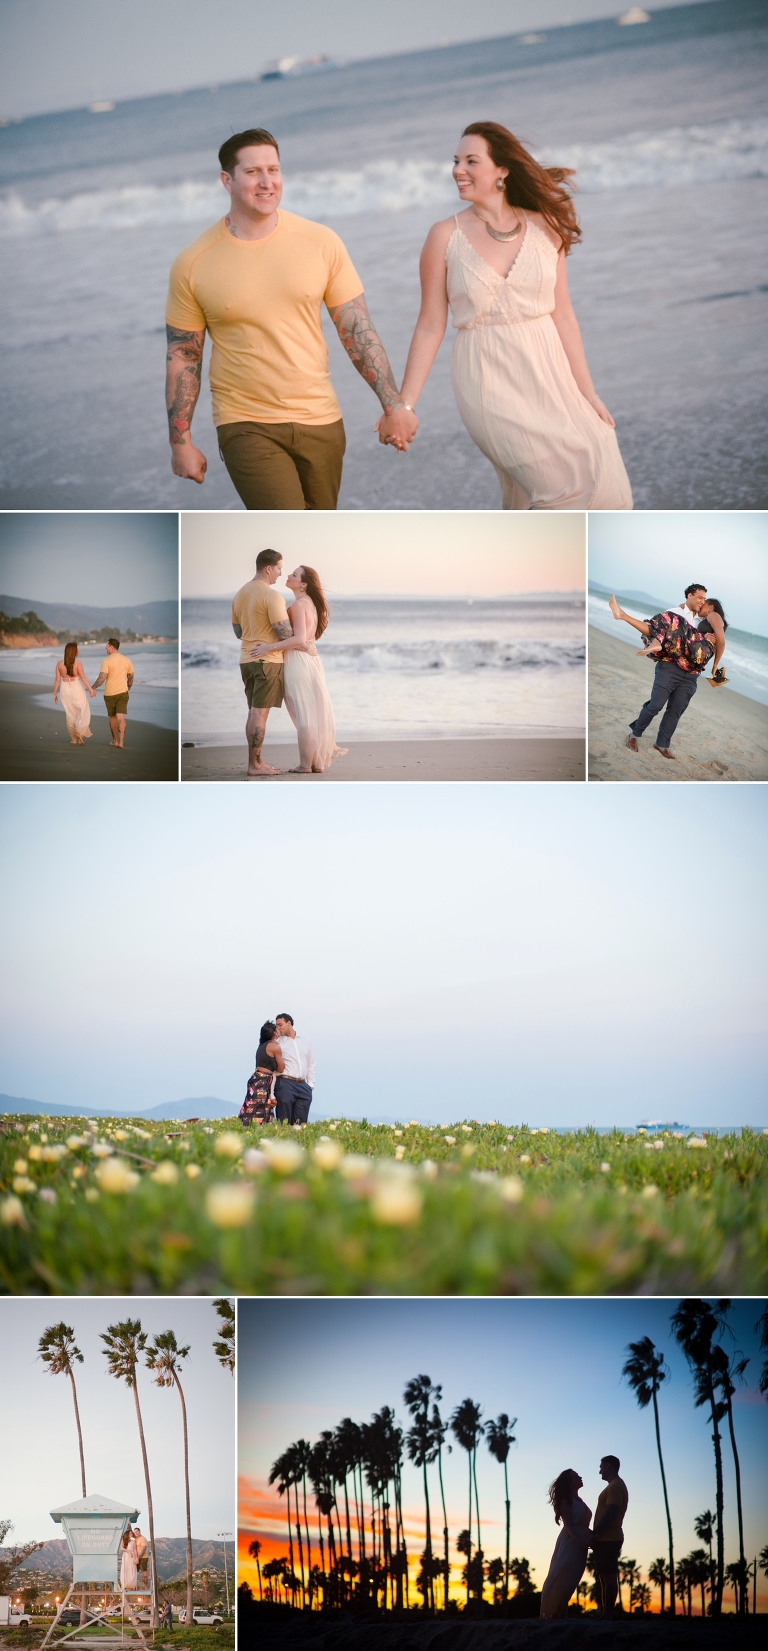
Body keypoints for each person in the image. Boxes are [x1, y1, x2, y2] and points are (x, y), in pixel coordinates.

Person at [165, 127, 417, 509]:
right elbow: (184, 355)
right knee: (286, 524)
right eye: (252, 172)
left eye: (274, 170)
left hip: (321, 418)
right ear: (226, 181)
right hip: (244, 422)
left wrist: (393, 405)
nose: (267, 182)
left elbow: (356, 329)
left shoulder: (320, 242)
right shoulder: (194, 262)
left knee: (316, 535)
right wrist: (179, 442)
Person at [391, 122, 632, 510]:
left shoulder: (545, 226)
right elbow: (430, 325)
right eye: (456, 161)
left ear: (502, 170)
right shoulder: (443, 236)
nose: (458, 170)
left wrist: (588, 393)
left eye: (471, 160)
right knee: (560, 490)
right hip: (487, 379)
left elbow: (564, 315)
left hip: (550, 372)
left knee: (602, 463)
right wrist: (404, 405)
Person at [609, 586, 728, 759]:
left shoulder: (705, 620)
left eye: (705, 599)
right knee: (656, 704)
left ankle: (662, 744)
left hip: (691, 674)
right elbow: (654, 627)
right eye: (700, 598)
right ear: (690, 596)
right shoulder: (674, 612)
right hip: (670, 667)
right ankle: (634, 735)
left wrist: (715, 640)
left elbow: (718, 639)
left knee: (675, 710)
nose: (702, 602)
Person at [249, 565, 347, 773]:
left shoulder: (298, 606)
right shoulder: (309, 604)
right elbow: (305, 640)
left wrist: (269, 647)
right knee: (309, 714)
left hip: (298, 662)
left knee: (305, 716)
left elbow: (299, 638)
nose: (288, 575)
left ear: (304, 584)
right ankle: (315, 763)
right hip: (310, 660)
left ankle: (305, 764)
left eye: (294, 574)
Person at [231, 549, 291, 778]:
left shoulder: (239, 594)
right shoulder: (272, 595)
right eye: (278, 569)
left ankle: (256, 762)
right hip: (267, 662)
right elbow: (284, 632)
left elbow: (238, 632)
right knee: (259, 714)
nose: (279, 574)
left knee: (253, 713)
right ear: (268, 568)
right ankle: (255, 765)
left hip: (246, 660)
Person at [540, 1469, 592, 1619]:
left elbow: (582, 1524)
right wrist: (581, 1540)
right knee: (562, 1574)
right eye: (576, 1476)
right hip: (570, 1542)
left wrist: (593, 1535)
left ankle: (560, 1613)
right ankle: (550, 1612)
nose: (580, 1477)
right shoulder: (566, 1500)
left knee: (573, 1578)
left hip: (581, 1544)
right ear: (569, 1483)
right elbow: (569, 1525)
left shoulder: (579, 1500)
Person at [589, 1454, 628, 1620]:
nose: (599, 1472)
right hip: (604, 1539)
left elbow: (611, 1512)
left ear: (609, 1466)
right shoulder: (613, 1486)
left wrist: (595, 1532)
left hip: (609, 1538)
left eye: (601, 1467)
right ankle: (606, 1612)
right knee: (604, 1577)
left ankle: (608, 1613)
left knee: (609, 1576)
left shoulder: (616, 1486)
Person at [91, 639, 134, 749]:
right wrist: (127, 689)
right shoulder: (127, 660)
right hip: (123, 693)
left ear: (111, 647)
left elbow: (101, 678)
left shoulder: (106, 661)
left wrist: (92, 688)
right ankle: (121, 742)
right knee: (121, 717)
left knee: (113, 717)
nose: (105, 647)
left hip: (109, 694)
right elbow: (131, 679)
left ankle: (114, 741)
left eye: (107, 645)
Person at [274, 1013, 316, 1125]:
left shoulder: (306, 1041)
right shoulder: (277, 1043)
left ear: (289, 1023)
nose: (278, 1028)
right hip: (285, 1083)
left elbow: (311, 1063)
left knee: (300, 1125)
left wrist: (310, 1084)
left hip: (303, 1086)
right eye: (277, 1025)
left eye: (280, 1024)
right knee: (284, 1122)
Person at [240, 1020, 284, 1126]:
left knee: (252, 1107)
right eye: (277, 1028)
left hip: (257, 1078)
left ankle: (246, 1128)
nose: (279, 1030)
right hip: (263, 1080)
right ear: (274, 1033)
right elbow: (281, 1068)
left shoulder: (262, 1046)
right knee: (261, 1109)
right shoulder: (275, 1047)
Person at [53, 642, 96, 744]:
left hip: (64, 689)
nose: (79, 650)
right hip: (76, 687)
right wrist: (91, 690)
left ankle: (73, 739)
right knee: (82, 710)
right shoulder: (78, 663)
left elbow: (57, 680)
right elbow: (83, 678)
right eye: (77, 649)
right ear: (73, 651)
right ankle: (80, 732)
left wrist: (55, 694)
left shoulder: (59, 663)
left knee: (70, 713)